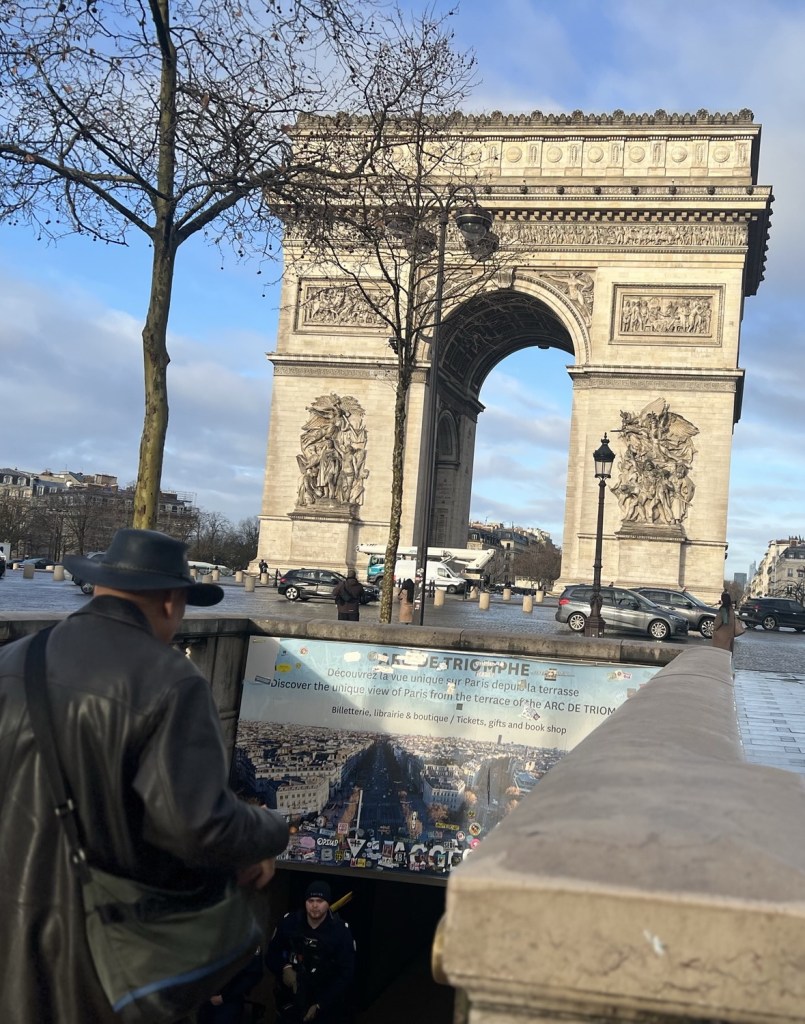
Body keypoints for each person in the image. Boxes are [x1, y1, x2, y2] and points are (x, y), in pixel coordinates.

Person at [0, 528, 290, 1024]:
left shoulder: (13, 661)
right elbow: (199, 827)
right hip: (99, 965)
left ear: (99, 585)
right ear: (172, 601)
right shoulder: (170, 681)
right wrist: (270, 831)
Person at [266, 880, 356, 1024]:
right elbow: (271, 954)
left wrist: (320, 1004)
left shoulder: (340, 932)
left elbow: (346, 974)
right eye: (310, 900)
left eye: (320, 901)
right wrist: (285, 968)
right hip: (290, 999)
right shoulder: (290, 922)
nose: (314, 905)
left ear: (328, 903)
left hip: (324, 1000)